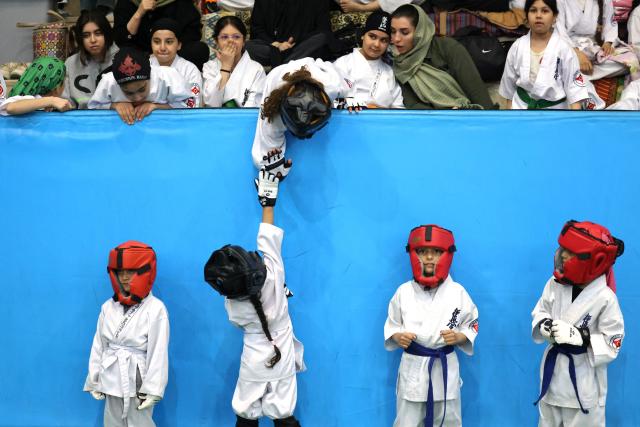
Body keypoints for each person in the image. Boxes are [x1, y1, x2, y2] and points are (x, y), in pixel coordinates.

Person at [204, 153, 304, 427]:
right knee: (284, 413)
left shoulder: (233, 305)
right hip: (280, 355)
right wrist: (268, 200)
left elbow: (240, 322)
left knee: (246, 413)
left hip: (253, 357)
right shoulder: (273, 273)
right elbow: (267, 236)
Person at [532, 220, 625, 427]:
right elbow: (540, 310)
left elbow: (614, 342)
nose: (563, 256)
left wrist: (581, 337)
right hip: (553, 377)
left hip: (583, 383)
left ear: (594, 261)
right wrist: (544, 324)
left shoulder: (605, 298)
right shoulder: (554, 284)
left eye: (571, 253)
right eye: (563, 249)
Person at [384, 225, 479, 427]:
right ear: (412, 254)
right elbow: (392, 325)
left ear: (446, 255)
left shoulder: (458, 292)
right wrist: (397, 337)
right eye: (422, 252)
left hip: (445, 368)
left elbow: (472, 323)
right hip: (413, 368)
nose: (428, 257)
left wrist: (460, 337)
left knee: (449, 420)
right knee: (407, 421)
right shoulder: (403, 292)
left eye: (435, 252)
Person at [84, 241, 170, 427]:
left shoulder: (155, 309)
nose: (124, 277)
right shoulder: (108, 306)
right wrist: (94, 378)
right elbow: (99, 344)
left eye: (130, 272)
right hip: (111, 373)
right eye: (120, 272)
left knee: (140, 422)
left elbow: (158, 352)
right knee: (112, 420)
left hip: (138, 378)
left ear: (144, 272)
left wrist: (155, 388)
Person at [251, 58, 346, 177]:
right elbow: (264, 151)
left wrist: (351, 101)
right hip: (280, 73)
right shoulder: (274, 112)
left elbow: (351, 90)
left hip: (320, 70)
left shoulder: (335, 85)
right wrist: (270, 171)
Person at [390, 4, 496, 109]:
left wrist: (490, 121)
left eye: (404, 32)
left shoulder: (446, 48)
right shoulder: (400, 65)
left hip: (468, 115)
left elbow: (476, 90)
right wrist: (445, 116)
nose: (396, 39)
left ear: (420, 31)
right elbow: (413, 105)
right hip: (432, 122)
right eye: (393, 32)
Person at [499, 0, 597, 109]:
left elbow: (574, 88)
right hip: (521, 107)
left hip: (554, 111)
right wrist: (510, 116)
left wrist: (574, 119)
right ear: (526, 16)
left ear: (554, 17)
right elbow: (509, 87)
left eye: (545, 11)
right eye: (533, 11)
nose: (539, 15)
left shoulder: (564, 49)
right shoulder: (517, 47)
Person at [88, 47, 193, 124]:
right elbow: (92, 108)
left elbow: (190, 105)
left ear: (150, 78)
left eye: (142, 89)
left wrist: (157, 107)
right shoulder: (108, 82)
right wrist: (115, 106)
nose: (137, 98)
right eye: (128, 93)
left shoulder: (167, 77)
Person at [333, 11, 404, 109]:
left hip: (382, 123)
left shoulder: (389, 71)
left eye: (383, 40)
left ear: (388, 44)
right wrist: (362, 106)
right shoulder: (343, 64)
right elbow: (330, 101)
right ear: (363, 35)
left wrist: (380, 112)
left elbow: (399, 108)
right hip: (348, 121)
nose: (376, 44)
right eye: (372, 36)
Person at [113, 0, 210, 70]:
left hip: (174, 56)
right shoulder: (126, 3)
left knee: (199, 50)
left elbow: (193, 34)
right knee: (120, 59)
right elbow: (121, 40)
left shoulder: (181, 3)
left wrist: (165, 51)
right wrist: (139, 13)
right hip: (141, 59)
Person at [554, 0, 632, 81]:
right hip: (568, 45)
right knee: (558, 62)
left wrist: (608, 42)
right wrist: (577, 54)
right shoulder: (559, 1)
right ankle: (575, 74)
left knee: (628, 63)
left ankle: (578, 75)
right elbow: (559, 31)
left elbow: (610, 22)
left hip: (592, 46)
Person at [245, 0, 334, 68]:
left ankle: (281, 66)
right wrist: (277, 45)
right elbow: (256, 29)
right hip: (273, 48)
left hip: (302, 48)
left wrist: (298, 43)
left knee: (322, 38)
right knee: (247, 47)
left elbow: (323, 30)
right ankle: (286, 63)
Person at [202, 16, 266, 108]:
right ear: (217, 41)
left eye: (236, 37)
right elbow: (211, 104)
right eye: (224, 37)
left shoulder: (256, 69)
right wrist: (226, 67)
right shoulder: (209, 67)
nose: (230, 41)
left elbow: (255, 107)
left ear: (243, 41)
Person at [63, 9, 118, 109]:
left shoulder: (122, 59)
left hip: (115, 118)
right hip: (81, 120)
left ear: (106, 34)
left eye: (98, 33)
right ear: (80, 38)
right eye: (86, 35)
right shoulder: (70, 63)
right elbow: (65, 102)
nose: (93, 40)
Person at [149, 18, 202, 108]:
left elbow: (193, 104)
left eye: (169, 42)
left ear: (179, 45)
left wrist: (157, 107)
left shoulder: (190, 70)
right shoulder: (143, 66)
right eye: (157, 42)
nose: (162, 48)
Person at [0, 57, 72, 116]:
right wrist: (51, 100)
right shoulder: (30, 98)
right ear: (57, 87)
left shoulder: (40, 103)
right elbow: (10, 108)